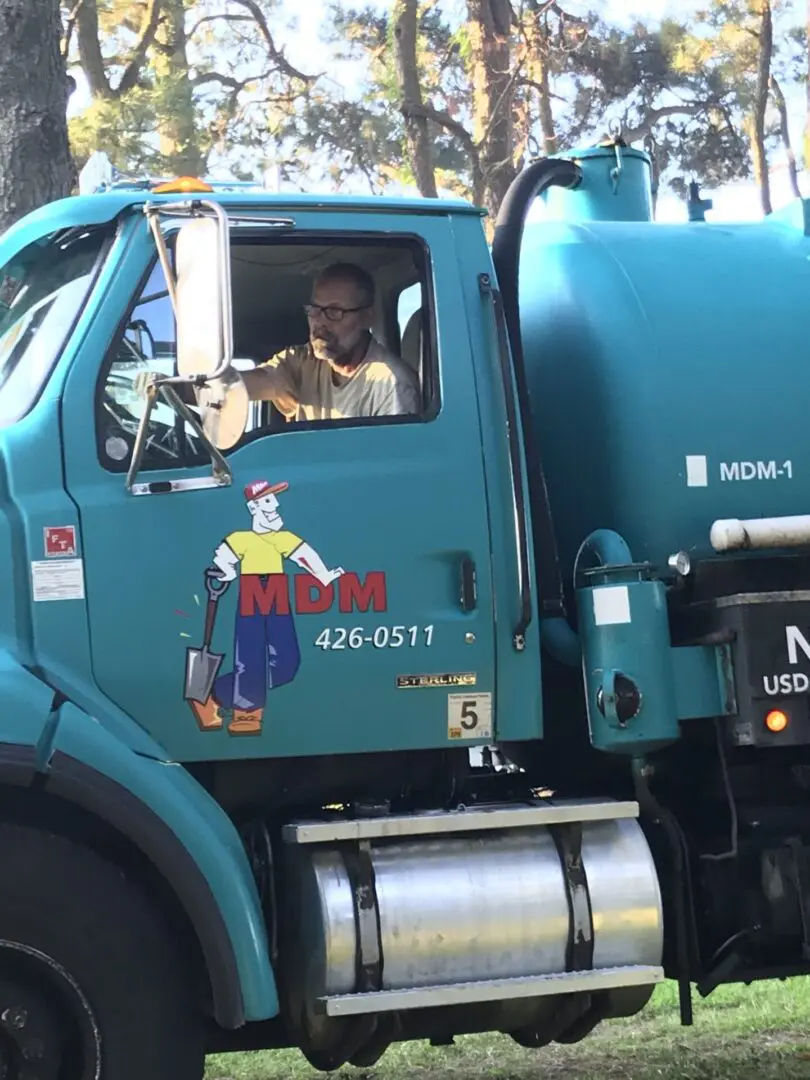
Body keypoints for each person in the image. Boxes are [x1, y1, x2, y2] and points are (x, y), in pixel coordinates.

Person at [241, 262, 420, 421]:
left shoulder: (391, 384)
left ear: (367, 317)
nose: (319, 322)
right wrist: (217, 387)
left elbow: (392, 458)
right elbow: (251, 384)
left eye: (334, 311)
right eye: (315, 309)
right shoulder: (304, 361)